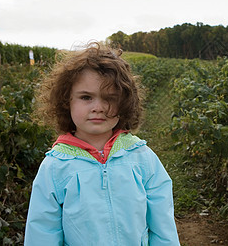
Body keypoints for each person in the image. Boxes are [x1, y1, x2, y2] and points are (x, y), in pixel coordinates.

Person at [24, 42, 180, 245]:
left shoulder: (142, 158)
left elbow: (163, 227)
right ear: (66, 101)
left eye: (109, 98)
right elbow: (42, 233)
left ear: (124, 103)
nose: (97, 107)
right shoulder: (55, 168)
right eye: (86, 97)